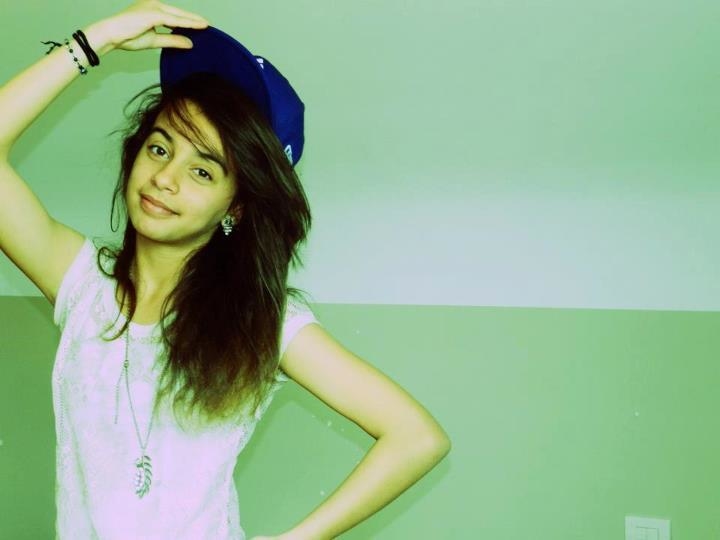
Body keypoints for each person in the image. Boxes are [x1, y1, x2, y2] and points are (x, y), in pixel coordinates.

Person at [0, 1, 451, 538]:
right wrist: (94, 41)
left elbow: (417, 437)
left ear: (235, 207)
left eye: (203, 171)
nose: (165, 178)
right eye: (159, 148)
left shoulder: (263, 322)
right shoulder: (82, 285)